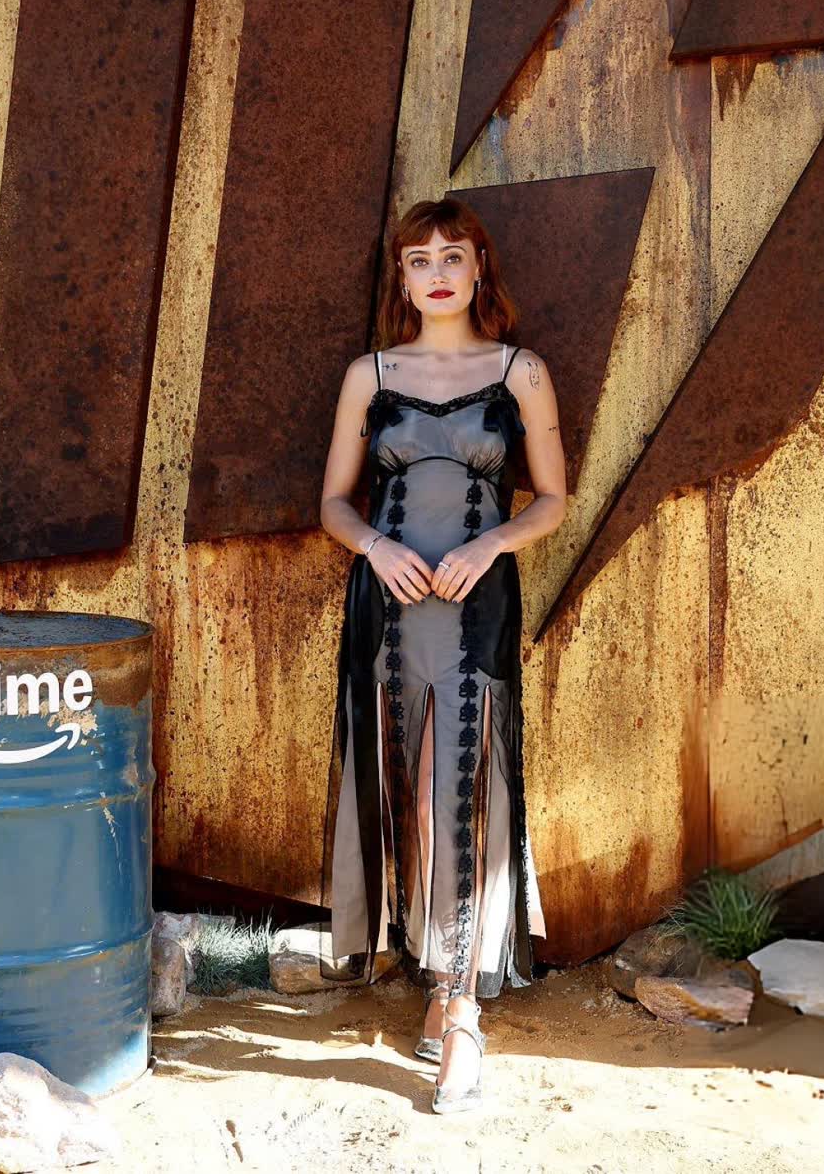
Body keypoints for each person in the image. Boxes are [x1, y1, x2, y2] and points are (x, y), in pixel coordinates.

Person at [316, 198, 567, 1113]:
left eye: (452, 256)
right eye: (419, 260)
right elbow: (333, 503)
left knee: (460, 795)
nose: (437, 273)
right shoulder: (370, 376)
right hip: (386, 611)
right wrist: (374, 548)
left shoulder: (520, 371)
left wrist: (491, 541)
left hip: (474, 607)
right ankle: (436, 972)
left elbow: (554, 499)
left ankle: (462, 1011)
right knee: (406, 799)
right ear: (403, 277)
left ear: (478, 267)